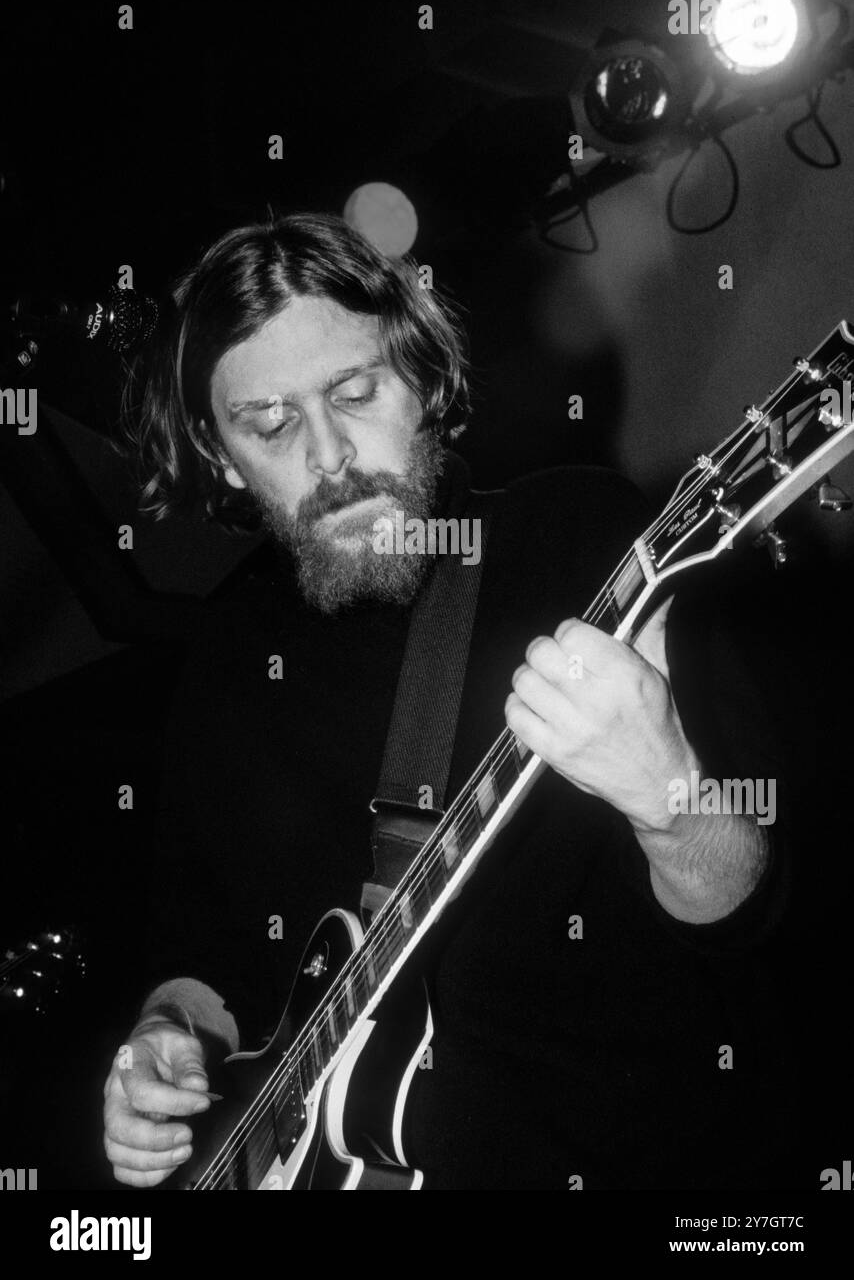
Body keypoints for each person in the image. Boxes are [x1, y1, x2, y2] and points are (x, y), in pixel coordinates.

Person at [101, 211, 792, 1190]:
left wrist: (670, 799)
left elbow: (750, 906)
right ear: (220, 457)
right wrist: (164, 1037)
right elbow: (198, 955)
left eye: (354, 390)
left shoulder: (580, 540)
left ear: (422, 382)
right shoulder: (227, 652)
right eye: (269, 423)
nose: (331, 453)